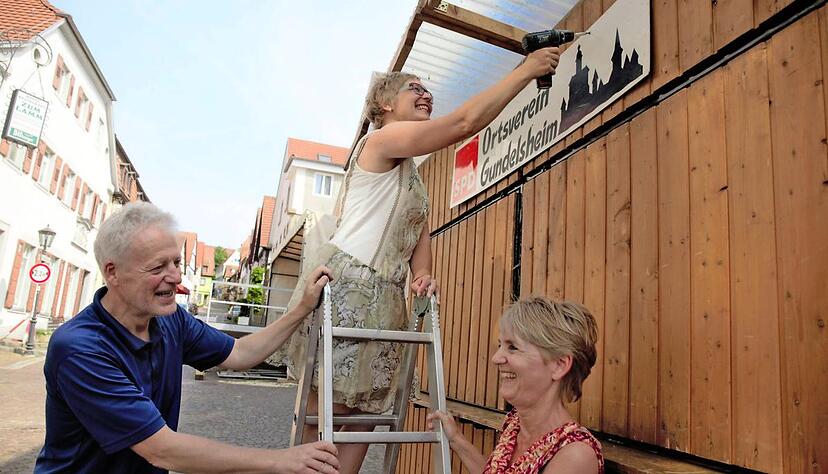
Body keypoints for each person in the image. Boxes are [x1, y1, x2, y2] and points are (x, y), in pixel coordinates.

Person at [269, 46, 561, 473]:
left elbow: (418, 243)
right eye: (414, 88)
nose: (426, 95)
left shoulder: (415, 178)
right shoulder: (380, 140)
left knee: (368, 412)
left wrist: (423, 276)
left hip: (387, 295)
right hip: (350, 285)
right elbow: (464, 123)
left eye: (427, 90)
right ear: (385, 104)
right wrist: (526, 70)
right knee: (330, 408)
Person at [34, 202, 340, 474]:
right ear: (112, 273)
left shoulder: (170, 320)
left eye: (176, 263)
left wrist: (301, 308)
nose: (176, 277)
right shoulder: (80, 349)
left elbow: (239, 353)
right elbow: (161, 449)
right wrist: (281, 461)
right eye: (158, 266)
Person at [427, 297, 604, 474]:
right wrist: (456, 439)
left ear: (559, 365)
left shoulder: (575, 456)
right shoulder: (514, 425)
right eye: (500, 345)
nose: (496, 358)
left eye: (512, 347)